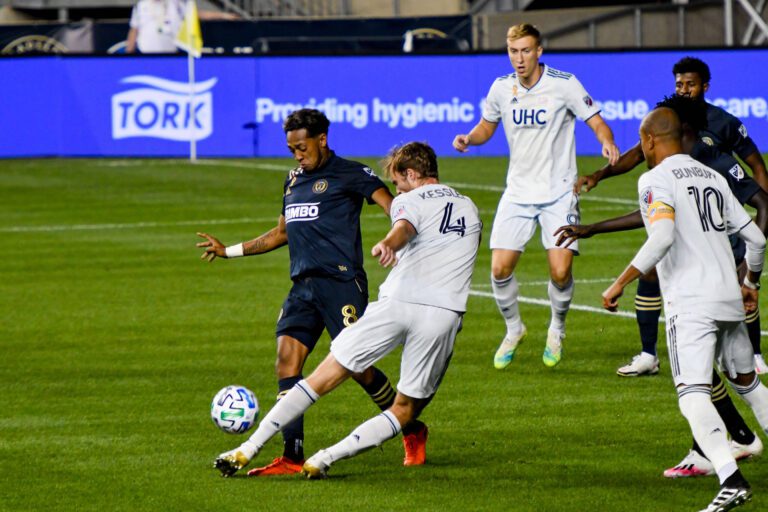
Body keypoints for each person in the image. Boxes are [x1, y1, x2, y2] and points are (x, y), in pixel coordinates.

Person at [213, 141, 482, 479]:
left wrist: (389, 243)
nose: (396, 190)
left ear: (412, 174)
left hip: (397, 303)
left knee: (320, 377)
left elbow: (404, 228)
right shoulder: (469, 206)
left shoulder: (409, 201)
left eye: (398, 182)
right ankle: (324, 458)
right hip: (442, 314)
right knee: (404, 410)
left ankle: (247, 448)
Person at [197, 109, 428, 476]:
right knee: (287, 363)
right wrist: (230, 251)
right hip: (302, 286)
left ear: (322, 139)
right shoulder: (292, 180)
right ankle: (291, 456)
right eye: (291, 149)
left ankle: (411, 427)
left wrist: (399, 241)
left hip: (341, 286)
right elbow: (282, 233)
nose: (298, 156)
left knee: (359, 369)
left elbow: (394, 206)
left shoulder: (352, 173)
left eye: (302, 147)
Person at [555, 95, 766, 479]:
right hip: (730, 292)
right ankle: (732, 443)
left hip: (693, 298)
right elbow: (757, 238)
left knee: (692, 392)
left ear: (651, 140)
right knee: (747, 382)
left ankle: (727, 475)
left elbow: (662, 233)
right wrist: (751, 281)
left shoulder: (660, 176)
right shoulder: (712, 176)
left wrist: (620, 281)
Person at [576, 57, 768, 377]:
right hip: (680, 217)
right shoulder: (667, 122)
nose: (683, 90)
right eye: (679, 84)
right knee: (651, 270)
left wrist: (749, 214)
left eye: (690, 84)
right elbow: (636, 156)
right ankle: (649, 354)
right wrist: (599, 175)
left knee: (740, 280)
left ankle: (753, 354)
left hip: (718, 219)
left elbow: (757, 168)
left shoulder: (723, 126)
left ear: (705, 86)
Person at [452, 23, 619, 369]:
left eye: (526, 50)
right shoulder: (501, 87)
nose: (519, 58)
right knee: (499, 269)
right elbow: (487, 126)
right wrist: (470, 138)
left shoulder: (564, 84)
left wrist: (606, 140)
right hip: (517, 192)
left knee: (560, 272)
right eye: (513, 51)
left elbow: (596, 120)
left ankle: (557, 328)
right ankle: (515, 329)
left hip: (559, 192)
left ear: (539, 51)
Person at [126, 0, 237, 54]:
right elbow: (134, 29)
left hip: (170, 54)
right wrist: (129, 53)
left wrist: (223, 15)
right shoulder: (141, 5)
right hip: (147, 55)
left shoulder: (175, 3)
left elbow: (195, 14)